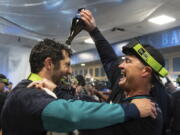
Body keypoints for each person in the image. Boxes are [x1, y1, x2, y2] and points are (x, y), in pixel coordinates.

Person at [1, 39, 156, 135]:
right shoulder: (30, 93)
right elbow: (71, 114)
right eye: (67, 65)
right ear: (49, 64)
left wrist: (56, 90)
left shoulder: (30, 89)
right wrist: (133, 109)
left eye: (127, 61)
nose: (70, 71)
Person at [78, 9, 170, 135]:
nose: (120, 65)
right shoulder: (122, 84)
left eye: (127, 61)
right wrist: (94, 31)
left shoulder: (148, 112)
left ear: (145, 71)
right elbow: (109, 58)